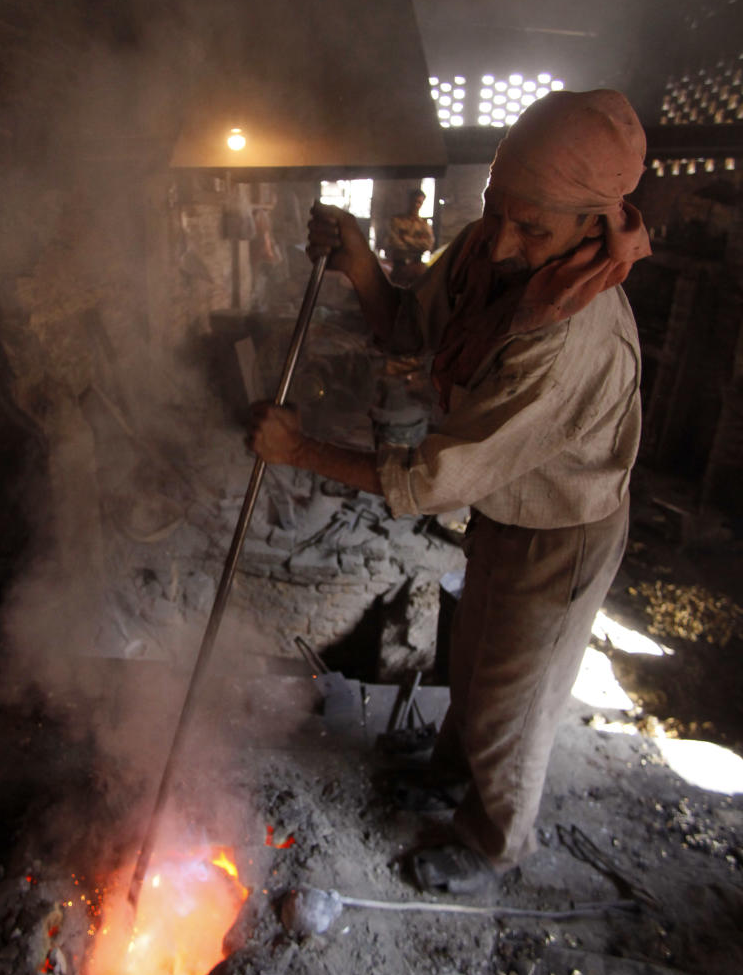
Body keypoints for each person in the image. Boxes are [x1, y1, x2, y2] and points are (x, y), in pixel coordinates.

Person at [248, 89, 651, 895]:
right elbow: (407, 326)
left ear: (594, 226)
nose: (502, 239)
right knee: (473, 662)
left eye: (532, 226)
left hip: (561, 532)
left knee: (515, 697)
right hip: (506, 509)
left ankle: (494, 840)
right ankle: (449, 769)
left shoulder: (572, 335)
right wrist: (359, 258)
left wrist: (300, 451)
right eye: (500, 208)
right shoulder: (489, 248)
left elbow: (430, 479)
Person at [385, 189, 435, 284]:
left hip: (417, 266)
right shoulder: (397, 221)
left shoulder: (424, 225)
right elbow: (393, 241)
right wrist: (417, 243)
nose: (416, 205)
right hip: (399, 266)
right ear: (409, 201)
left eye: (419, 202)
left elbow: (428, 245)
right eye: (414, 201)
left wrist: (406, 238)